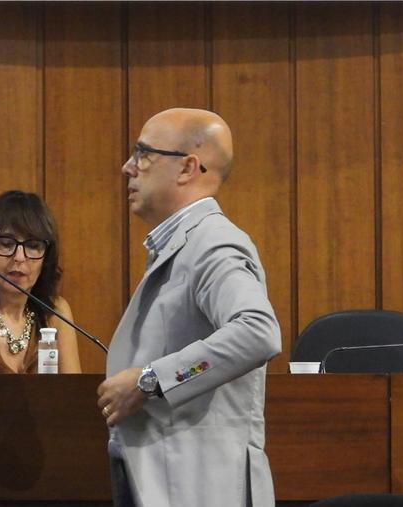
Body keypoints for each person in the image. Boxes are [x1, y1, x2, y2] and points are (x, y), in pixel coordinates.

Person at [96, 108, 281, 507]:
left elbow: (257, 333)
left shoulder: (212, 242)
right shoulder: (185, 242)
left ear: (187, 168)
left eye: (143, 153)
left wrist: (151, 380)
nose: (128, 167)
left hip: (200, 486)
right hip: (171, 479)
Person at [0, 190, 81, 373]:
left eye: (33, 246)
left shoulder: (55, 313)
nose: (19, 257)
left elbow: (72, 398)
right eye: (6, 244)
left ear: (46, 256)